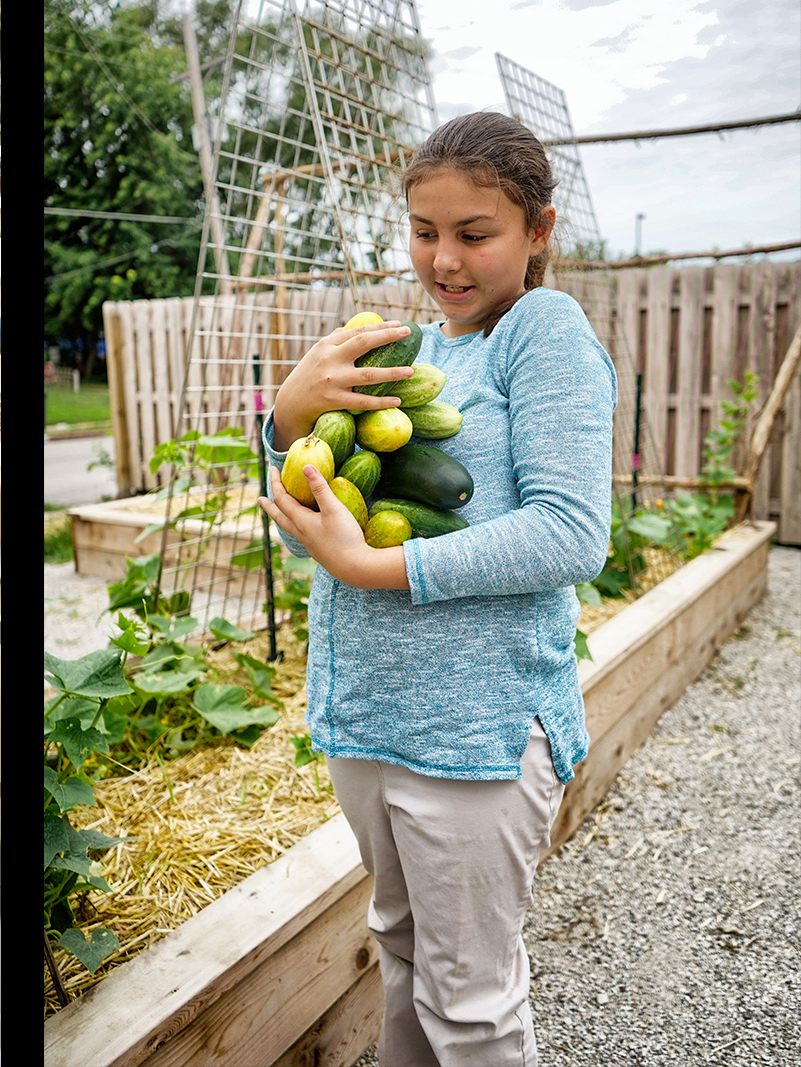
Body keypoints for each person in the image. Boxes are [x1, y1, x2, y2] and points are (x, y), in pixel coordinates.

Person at [257, 110, 616, 1065]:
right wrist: (286, 423)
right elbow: (313, 530)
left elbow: (573, 532)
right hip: (374, 715)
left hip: (477, 735)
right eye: (425, 232)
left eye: (474, 234)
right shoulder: (407, 351)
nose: (444, 260)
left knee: (470, 1002)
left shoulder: (542, 332)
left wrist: (383, 567)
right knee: (404, 953)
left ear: (538, 232)